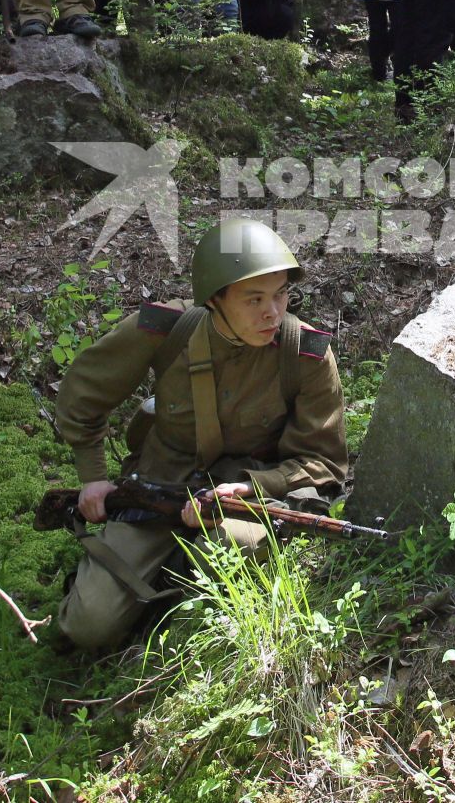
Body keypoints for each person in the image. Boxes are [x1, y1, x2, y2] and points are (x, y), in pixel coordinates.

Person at [52, 218, 347, 652]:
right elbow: (83, 394)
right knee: (88, 626)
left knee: (227, 549)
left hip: (245, 499)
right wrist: (93, 476)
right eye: (254, 299)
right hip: (159, 487)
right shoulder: (166, 328)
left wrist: (253, 486)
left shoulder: (305, 354)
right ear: (215, 299)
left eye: (281, 293)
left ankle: (178, 602)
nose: (273, 312)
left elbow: (323, 462)